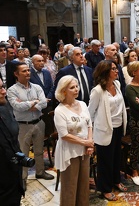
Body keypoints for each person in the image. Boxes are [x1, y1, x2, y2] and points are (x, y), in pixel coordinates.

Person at [7, 63, 54, 190]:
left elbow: (44, 103)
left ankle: (40, 172)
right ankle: (23, 178)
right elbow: (17, 107)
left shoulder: (37, 87)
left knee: (39, 150)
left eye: (28, 70)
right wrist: (34, 102)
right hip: (23, 126)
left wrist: (30, 104)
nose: (28, 73)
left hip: (38, 122)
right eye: (24, 71)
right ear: (16, 74)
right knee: (23, 153)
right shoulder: (12, 90)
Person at [88, 60, 128, 201]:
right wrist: (90, 134)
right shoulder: (98, 90)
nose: (117, 71)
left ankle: (116, 180)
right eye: (113, 69)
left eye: (116, 68)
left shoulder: (117, 84)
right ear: (105, 72)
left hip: (117, 127)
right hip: (104, 129)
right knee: (105, 161)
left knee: (117, 157)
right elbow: (90, 113)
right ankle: (104, 189)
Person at [54, 75, 94, 206]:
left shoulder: (82, 104)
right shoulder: (59, 110)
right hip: (69, 151)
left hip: (84, 150)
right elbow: (64, 135)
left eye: (77, 86)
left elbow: (89, 124)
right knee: (70, 186)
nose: (76, 89)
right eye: (72, 87)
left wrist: (90, 142)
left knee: (84, 184)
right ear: (64, 91)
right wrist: (85, 143)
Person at [0, 77, 24, 205]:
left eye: (3, 86)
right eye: (0, 88)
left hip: (14, 179)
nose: (4, 91)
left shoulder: (5, 106)